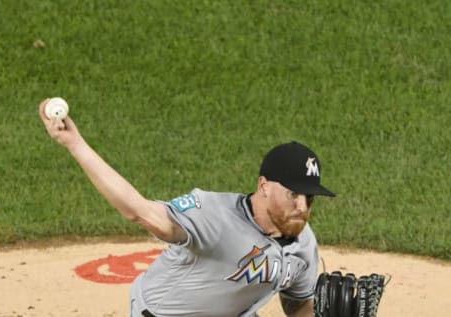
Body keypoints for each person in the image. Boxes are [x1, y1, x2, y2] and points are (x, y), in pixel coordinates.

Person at [38, 98, 336, 317]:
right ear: (264, 186)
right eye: (293, 194)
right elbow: (137, 210)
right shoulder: (212, 215)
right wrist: (75, 144)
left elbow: (298, 305)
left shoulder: (303, 244)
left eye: (309, 198)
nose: (302, 206)